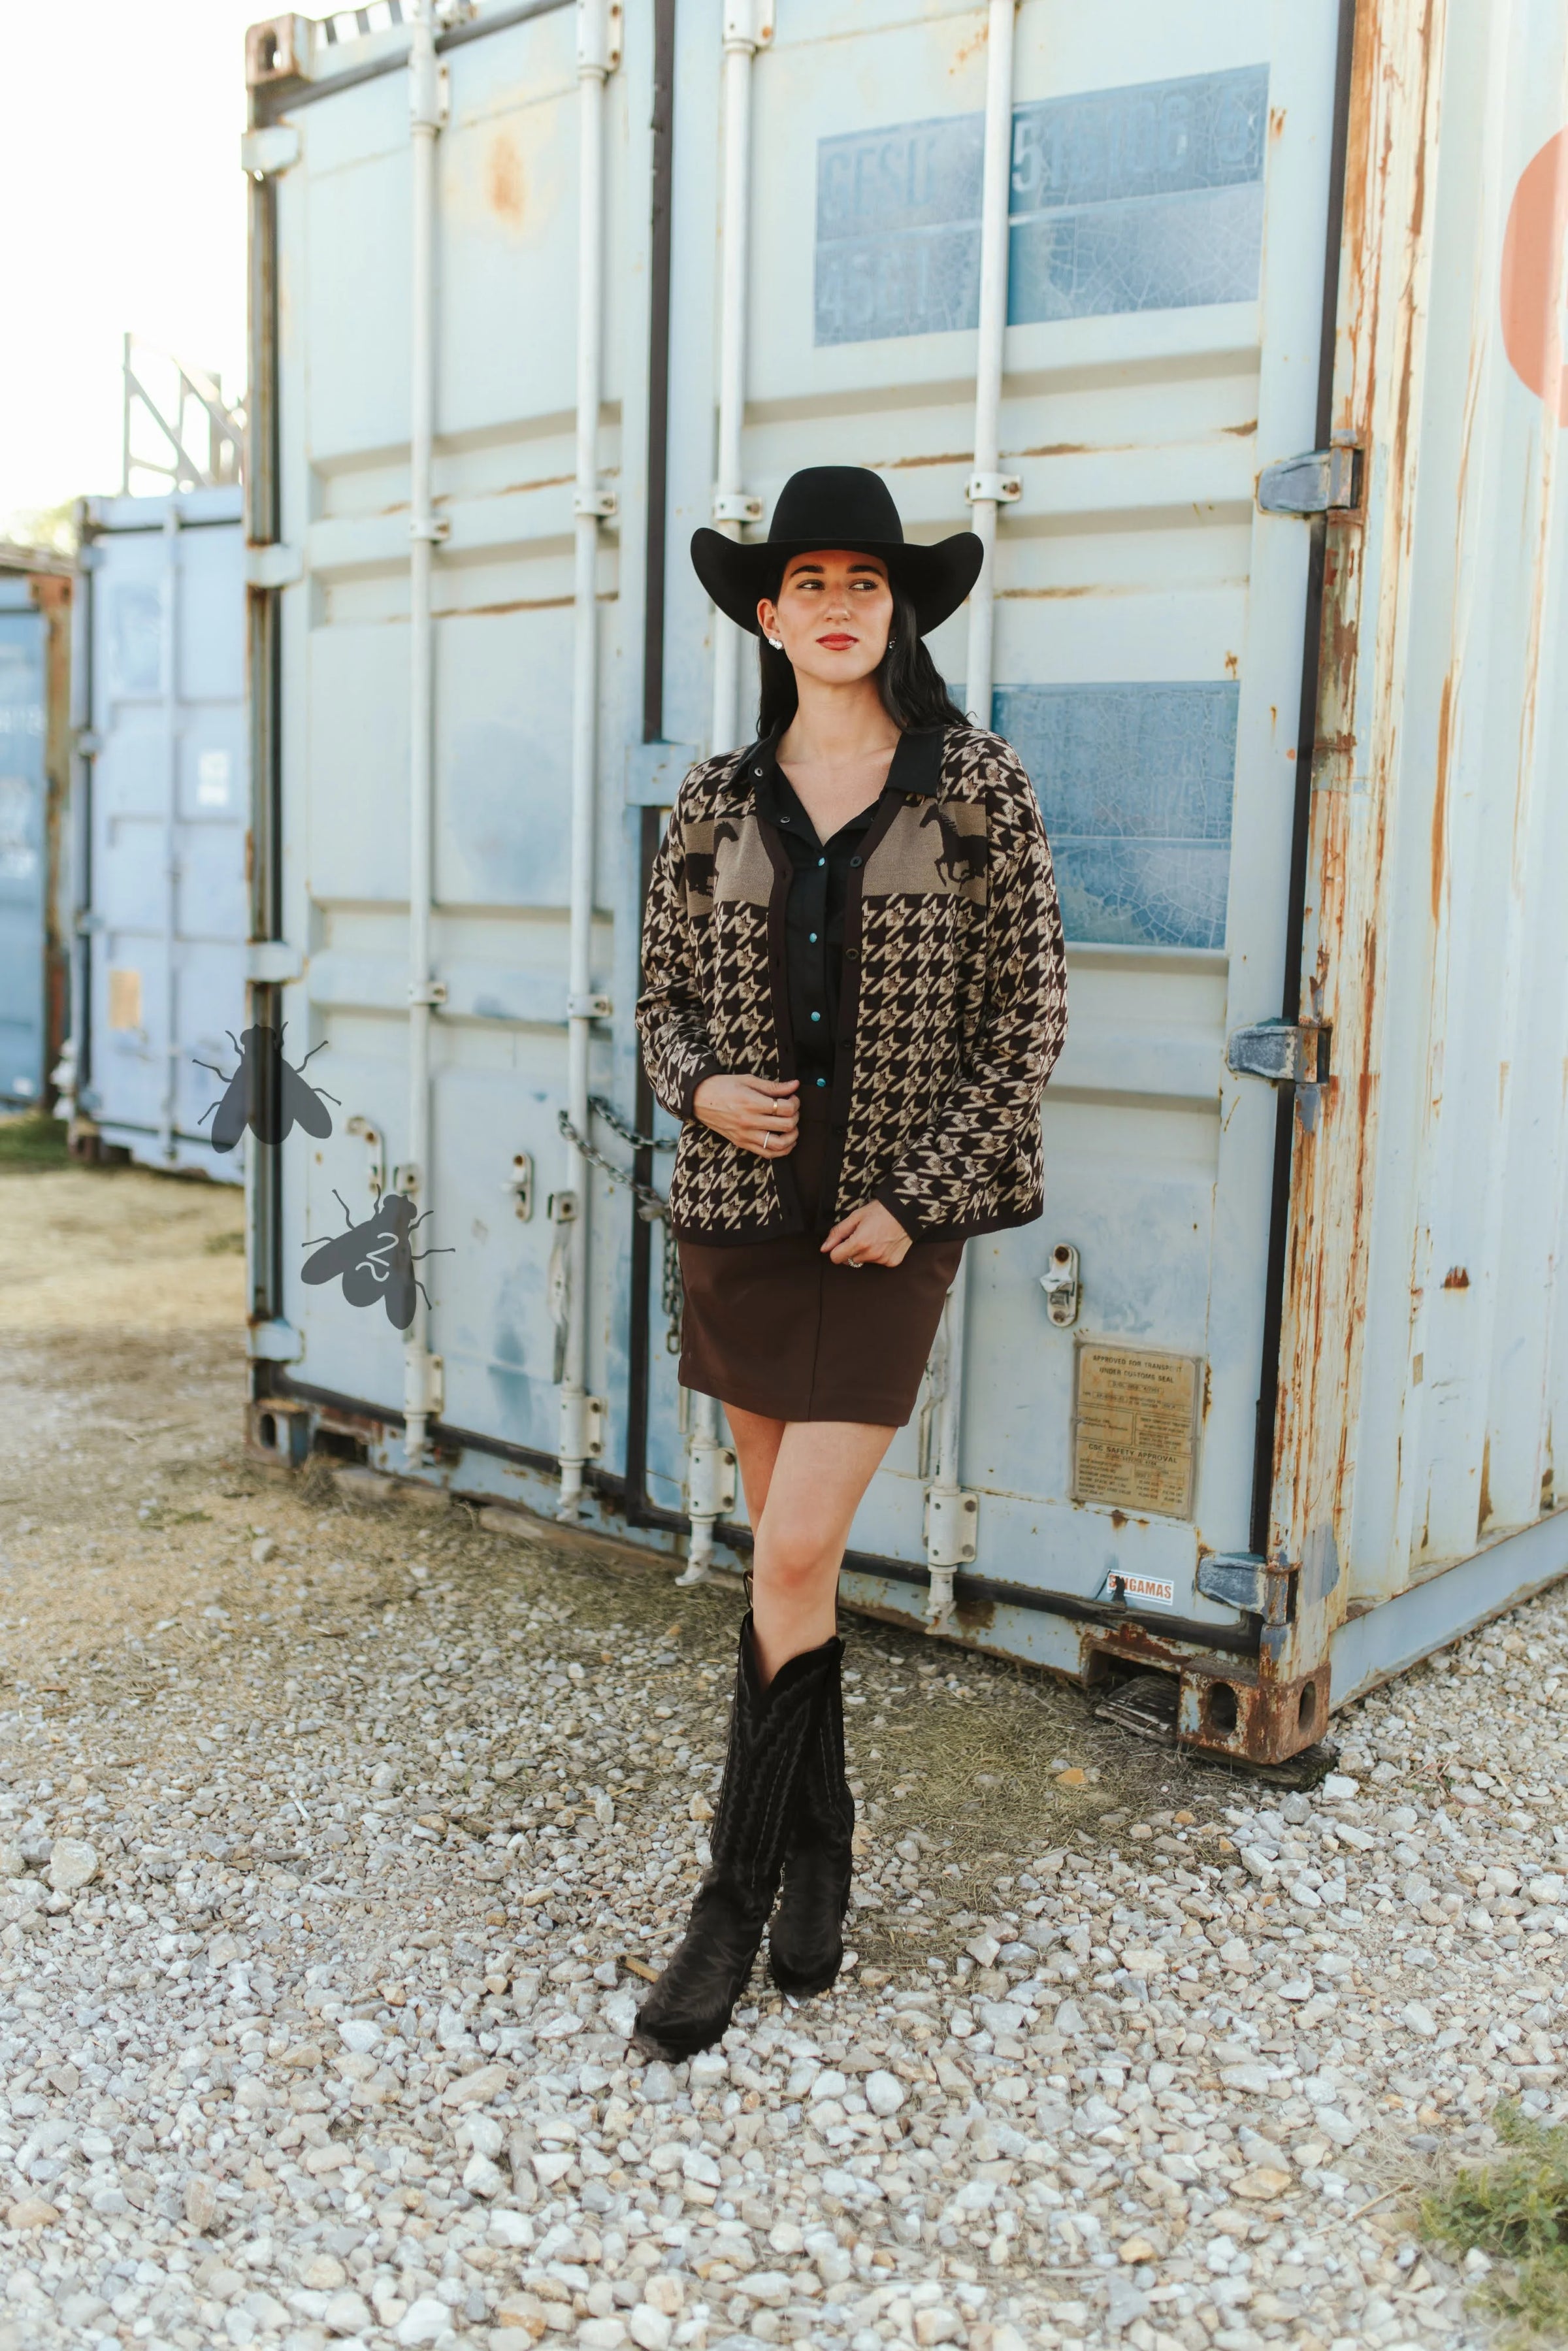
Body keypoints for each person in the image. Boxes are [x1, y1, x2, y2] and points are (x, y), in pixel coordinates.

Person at [632, 465, 1067, 2059]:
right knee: (788, 1565)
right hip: (737, 1228)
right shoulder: (712, 798)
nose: (834, 603)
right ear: (768, 614)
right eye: (807, 580)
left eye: (861, 582)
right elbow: (658, 1002)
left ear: (898, 611)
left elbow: (1027, 1025)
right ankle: (820, 1846)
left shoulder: (978, 787)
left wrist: (919, 1198)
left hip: (884, 1236)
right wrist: (699, 1088)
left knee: (794, 1548)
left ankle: (726, 1908)